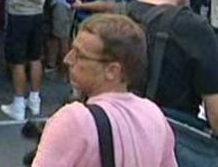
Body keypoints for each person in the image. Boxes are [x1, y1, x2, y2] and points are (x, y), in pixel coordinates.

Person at [32, 14, 177, 167]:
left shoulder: (74, 120)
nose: (68, 59)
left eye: (79, 55)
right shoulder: (155, 116)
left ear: (112, 71)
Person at [127, 0, 218, 135]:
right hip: (168, 141)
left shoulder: (117, 16)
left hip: (113, 135)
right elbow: (217, 115)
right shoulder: (195, 29)